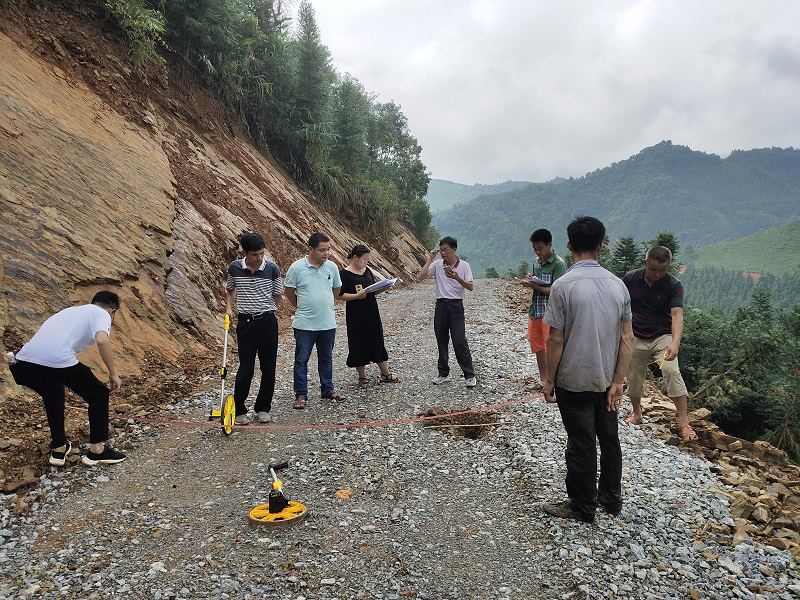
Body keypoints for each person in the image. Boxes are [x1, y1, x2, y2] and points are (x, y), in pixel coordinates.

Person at [541, 216, 634, 523]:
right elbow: (627, 338)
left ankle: (582, 506)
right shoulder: (618, 285)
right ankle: (611, 498)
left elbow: (555, 339)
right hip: (608, 379)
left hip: (574, 379)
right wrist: (619, 381)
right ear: (600, 246)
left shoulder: (563, 286)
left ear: (568, 246)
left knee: (581, 442)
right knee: (609, 438)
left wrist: (550, 379)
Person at [7, 291, 127, 466]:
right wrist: (113, 373)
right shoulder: (102, 313)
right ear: (112, 310)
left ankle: (59, 449)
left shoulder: (70, 311)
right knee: (99, 394)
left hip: (23, 362)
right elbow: (102, 340)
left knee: (53, 394)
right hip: (56, 358)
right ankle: (97, 451)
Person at [622, 246, 697, 441]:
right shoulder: (630, 279)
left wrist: (675, 343)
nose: (657, 274)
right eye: (653, 269)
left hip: (662, 335)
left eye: (662, 270)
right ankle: (636, 412)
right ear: (645, 262)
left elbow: (677, 315)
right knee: (634, 375)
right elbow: (619, 304)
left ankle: (684, 423)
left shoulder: (673, 285)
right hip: (636, 334)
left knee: (671, 371)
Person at [225, 232, 284, 425]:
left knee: (268, 367)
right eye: (255, 254)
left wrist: (265, 306)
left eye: (262, 253)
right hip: (246, 323)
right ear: (245, 253)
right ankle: (239, 409)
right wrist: (229, 308)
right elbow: (230, 288)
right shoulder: (234, 268)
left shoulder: (272, 268)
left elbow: (278, 294)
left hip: (267, 322)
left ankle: (263, 408)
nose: (259, 258)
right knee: (246, 367)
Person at [284, 232, 344, 409]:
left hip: (327, 323)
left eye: (328, 250)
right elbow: (289, 292)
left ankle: (327, 389)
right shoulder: (296, 268)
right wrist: (302, 306)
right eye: (322, 250)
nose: (326, 253)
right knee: (302, 359)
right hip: (304, 324)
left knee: (326, 358)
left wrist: (325, 303)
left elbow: (336, 289)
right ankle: (301, 394)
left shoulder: (331, 267)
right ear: (311, 249)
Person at [337, 244, 400, 387]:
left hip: (371, 310)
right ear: (355, 257)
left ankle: (385, 373)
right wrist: (356, 296)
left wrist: (384, 287)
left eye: (367, 260)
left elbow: (371, 291)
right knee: (358, 341)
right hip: (355, 313)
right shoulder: (344, 274)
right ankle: (362, 377)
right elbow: (340, 295)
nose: (366, 262)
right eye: (364, 259)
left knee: (376, 339)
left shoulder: (367, 271)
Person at [418, 236, 476, 388]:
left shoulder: (464, 266)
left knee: (459, 340)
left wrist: (457, 278)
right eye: (441, 250)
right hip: (441, 305)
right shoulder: (437, 265)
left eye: (446, 250)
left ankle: (469, 374)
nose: (443, 253)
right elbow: (421, 276)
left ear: (454, 249)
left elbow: (470, 287)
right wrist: (430, 259)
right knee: (441, 340)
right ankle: (443, 373)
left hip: (456, 306)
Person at [518, 229, 567, 390]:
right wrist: (532, 280)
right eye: (534, 249)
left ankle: (556, 382)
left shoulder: (558, 264)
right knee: (538, 347)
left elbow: (555, 290)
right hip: (536, 310)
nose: (537, 252)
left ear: (549, 245)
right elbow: (539, 286)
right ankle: (543, 380)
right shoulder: (537, 263)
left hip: (550, 313)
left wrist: (532, 285)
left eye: (540, 248)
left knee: (551, 348)